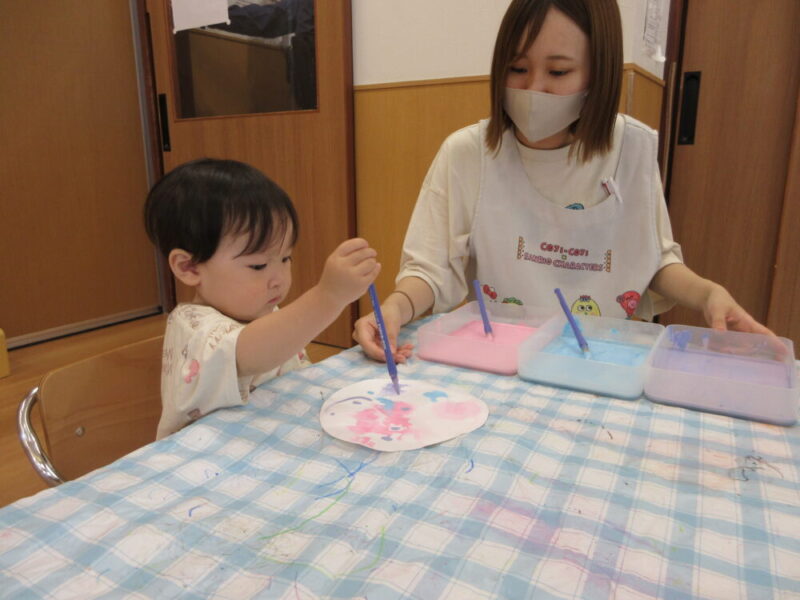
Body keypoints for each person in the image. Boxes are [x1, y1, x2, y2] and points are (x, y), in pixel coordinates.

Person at [353, 0, 771, 363]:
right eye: (517, 68)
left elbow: (653, 259)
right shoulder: (467, 153)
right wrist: (395, 308)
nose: (534, 88)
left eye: (558, 71)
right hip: (502, 360)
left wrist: (709, 294)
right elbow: (431, 269)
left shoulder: (633, 148)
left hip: (602, 362)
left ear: (598, 74)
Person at [145, 158, 379, 438]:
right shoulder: (194, 328)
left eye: (286, 258)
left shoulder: (263, 311)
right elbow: (250, 353)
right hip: (209, 455)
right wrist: (328, 296)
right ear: (189, 267)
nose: (279, 278)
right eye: (258, 266)